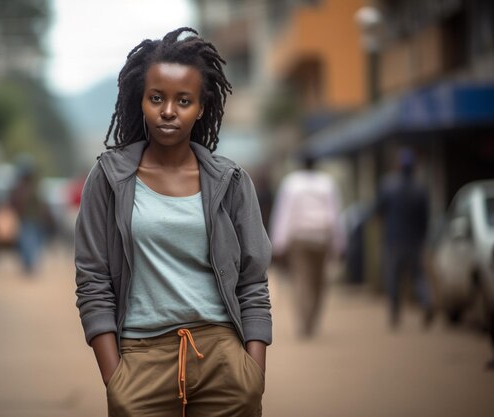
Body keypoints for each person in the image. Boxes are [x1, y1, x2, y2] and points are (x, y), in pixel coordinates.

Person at [74, 28, 272, 417]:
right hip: (140, 357)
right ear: (141, 101)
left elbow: (253, 281)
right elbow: (92, 281)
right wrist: (116, 383)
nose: (168, 111)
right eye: (157, 98)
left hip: (222, 356)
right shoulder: (109, 179)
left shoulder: (229, 181)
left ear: (201, 107)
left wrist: (252, 376)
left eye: (183, 100)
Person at [269, 155, 344, 338]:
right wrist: (339, 243)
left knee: (302, 280)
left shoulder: (292, 183)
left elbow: (284, 213)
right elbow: (335, 214)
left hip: (299, 238)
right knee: (319, 281)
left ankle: (305, 321)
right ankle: (311, 319)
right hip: (322, 238)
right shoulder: (327, 184)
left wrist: (278, 243)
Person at [375, 147, 433, 329]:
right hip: (415, 241)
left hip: (394, 241)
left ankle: (395, 315)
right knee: (418, 276)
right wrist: (423, 238)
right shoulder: (421, 189)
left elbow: (378, 210)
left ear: (399, 167)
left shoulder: (388, 186)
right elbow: (426, 218)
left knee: (393, 279)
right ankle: (426, 301)